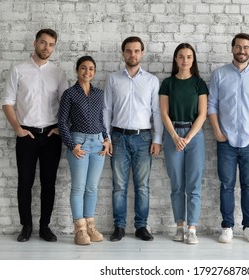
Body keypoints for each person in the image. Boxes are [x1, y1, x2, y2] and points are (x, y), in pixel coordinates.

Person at [2, 29, 68, 242]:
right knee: (25, 182)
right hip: (26, 135)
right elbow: (7, 102)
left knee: (48, 183)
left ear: (54, 47)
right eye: (43, 43)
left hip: (51, 135)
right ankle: (27, 226)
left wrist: (60, 127)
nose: (46, 48)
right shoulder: (18, 70)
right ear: (35, 43)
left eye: (51, 44)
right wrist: (18, 129)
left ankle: (45, 226)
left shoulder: (58, 73)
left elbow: (68, 105)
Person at [208, 33, 249, 244]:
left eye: (246, 47)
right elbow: (212, 105)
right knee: (226, 185)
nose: (242, 51)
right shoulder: (219, 74)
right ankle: (227, 227)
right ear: (232, 48)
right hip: (226, 140)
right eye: (238, 47)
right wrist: (217, 131)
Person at [103, 36, 163, 242]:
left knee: (142, 186)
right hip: (118, 138)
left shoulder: (152, 81)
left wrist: (157, 139)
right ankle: (119, 227)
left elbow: (157, 112)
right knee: (119, 186)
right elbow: (107, 110)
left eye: (136, 51)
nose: (132, 54)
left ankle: (141, 227)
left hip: (143, 138)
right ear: (123, 53)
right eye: (128, 51)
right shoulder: (113, 79)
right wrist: (107, 137)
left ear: (142, 53)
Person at [58, 56, 111, 245]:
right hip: (78, 143)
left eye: (91, 69)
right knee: (79, 187)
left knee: (92, 188)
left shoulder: (99, 94)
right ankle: (79, 230)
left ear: (94, 72)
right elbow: (62, 122)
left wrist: (106, 139)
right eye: (83, 68)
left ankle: (90, 226)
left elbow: (100, 120)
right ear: (77, 70)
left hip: (98, 144)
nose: (87, 72)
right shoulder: (69, 94)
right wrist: (72, 145)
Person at [159, 43, 208, 245]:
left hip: (194, 136)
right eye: (181, 56)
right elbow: (163, 113)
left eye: (189, 56)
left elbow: (203, 114)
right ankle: (179, 227)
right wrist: (175, 137)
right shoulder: (168, 83)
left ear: (193, 60)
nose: (185, 60)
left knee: (194, 184)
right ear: (176, 59)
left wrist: (187, 138)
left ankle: (192, 228)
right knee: (177, 183)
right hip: (172, 136)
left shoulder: (199, 83)